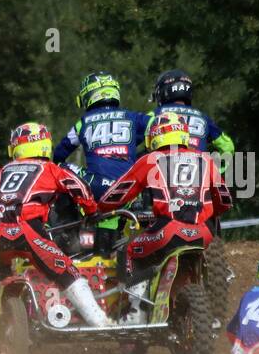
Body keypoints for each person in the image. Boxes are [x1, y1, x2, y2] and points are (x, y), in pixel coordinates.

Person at [97, 111, 232, 323]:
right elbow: (224, 200)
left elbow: (117, 195)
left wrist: (99, 208)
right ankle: (212, 304)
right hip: (203, 233)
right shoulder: (207, 160)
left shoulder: (151, 159)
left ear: (156, 136)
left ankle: (135, 311)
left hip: (167, 232)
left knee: (129, 250)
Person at [0, 122, 112, 327]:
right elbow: (79, 188)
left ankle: (0, 323)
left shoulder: (1, 173)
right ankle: (100, 321)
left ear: (16, 147)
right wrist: (92, 211)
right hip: (30, 233)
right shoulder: (50, 169)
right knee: (69, 273)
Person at [52, 72, 150, 195]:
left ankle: (71, 211)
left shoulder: (82, 122)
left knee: (59, 166)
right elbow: (157, 124)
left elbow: (59, 152)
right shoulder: (133, 117)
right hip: (131, 186)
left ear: (87, 96)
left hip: (97, 186)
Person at [148, 69, 235, 160]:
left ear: (161, 92)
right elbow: (228, 147)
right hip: (198, 170)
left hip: (162, 170)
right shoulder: (203, 117)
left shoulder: (154, 115)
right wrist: (216, 169)